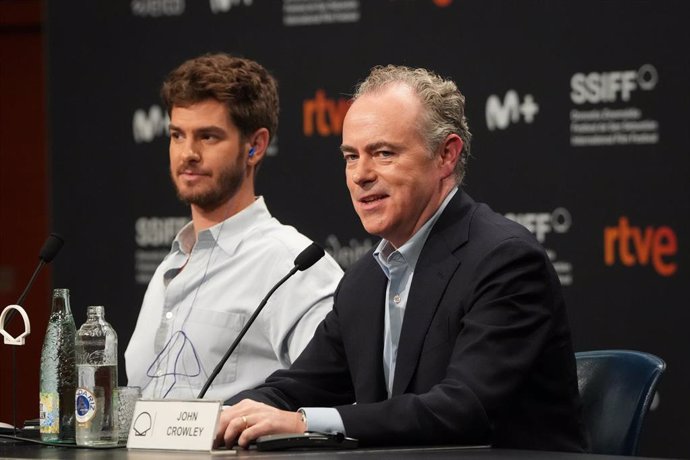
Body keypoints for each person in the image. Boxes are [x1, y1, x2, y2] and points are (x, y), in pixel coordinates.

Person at [215, 65, 588, 452]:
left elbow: (463, 409)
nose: (360, 175)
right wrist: (229, 417)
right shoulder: (364, 281)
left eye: (383, 153)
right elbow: (297, 387)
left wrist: (305, 422)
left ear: (446, 155)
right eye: (350, 157)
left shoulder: (505, 260)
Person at [124, 53, 343, 401]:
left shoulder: (291, 265)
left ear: (255, 146)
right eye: (177, 135)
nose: (188, 153)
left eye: (208, 137)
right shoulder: (169, 268)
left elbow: (338, 394)